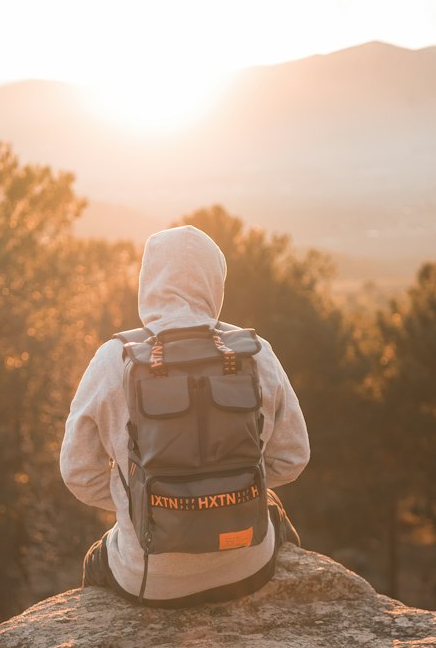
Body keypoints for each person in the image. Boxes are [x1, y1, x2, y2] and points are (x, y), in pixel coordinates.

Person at [60, 224, 309, 606]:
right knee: (273, 507)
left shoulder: (114, 359)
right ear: (215, 283)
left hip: (150, 582)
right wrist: (227, 495)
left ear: (149, 281)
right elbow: (292, 458)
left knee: (96, 559)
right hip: (250, 570)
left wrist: (145, 505)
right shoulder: (255, 352)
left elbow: (78, 472)